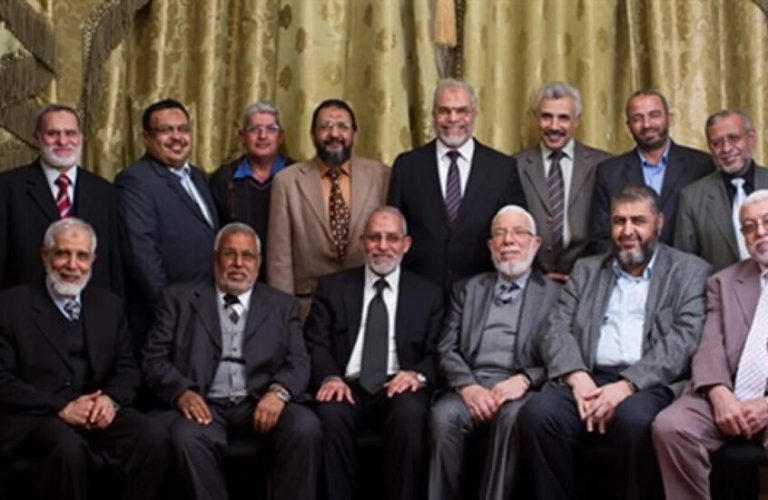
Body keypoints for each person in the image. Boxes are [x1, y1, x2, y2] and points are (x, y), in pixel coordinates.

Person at [517, 184, 712, 500]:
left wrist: (628, 385)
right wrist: (577, 376)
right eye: (619, 221)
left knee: (634, 419)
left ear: (659, 223)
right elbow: (555, 327)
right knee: (539, 414)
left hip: (649, 383)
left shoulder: (689, 271)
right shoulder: (587, 269)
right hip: (588, 377)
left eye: (638, 221)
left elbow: (683, 340)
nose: (627, 231)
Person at [143, 222, 321, 500]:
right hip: (205, 404)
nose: (238, 263)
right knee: (186, 436)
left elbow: (299, 360)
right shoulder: (178, 299)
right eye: (230, 254)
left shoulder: (281, 304)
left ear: (258, 262)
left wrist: (279, 393)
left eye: (247, 256)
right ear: (216, 259)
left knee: (305, 426)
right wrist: (181, 392)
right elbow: (154, 358)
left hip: (260, 400)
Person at [0, 218, 168, 500]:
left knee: (152, 436)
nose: (72, 265)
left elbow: (127, 368)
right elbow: (3, 381)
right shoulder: (10, 306)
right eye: (63, 254)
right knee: (68, 448)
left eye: (81, 256)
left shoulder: (109, 305)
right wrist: (61, 407)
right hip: (39, 416)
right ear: (45, 256)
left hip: (95, 412)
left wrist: (110, 400)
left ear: (93, 260)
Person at [304, 206, 443, 500]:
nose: (382, 246)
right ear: (362, 242)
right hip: (347, 384)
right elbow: (315, 342)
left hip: (399, 384)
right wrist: (329, 377)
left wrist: (417, 375)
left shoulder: (429, 293)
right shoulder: (333, 287)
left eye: (392, 238)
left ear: (406, 244)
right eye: (374, 237)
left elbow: (438, 351)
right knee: (330, 412)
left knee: (410, 411)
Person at [429, 205, 561, 500]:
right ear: (490, 245)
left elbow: (561, 355)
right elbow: (446, 347)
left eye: (519, 232)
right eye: (500, 233)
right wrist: (468, 386)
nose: (508, 240)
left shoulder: (555, 293)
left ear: (535, 243)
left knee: (512, 416)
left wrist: (525, 379)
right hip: (471, 384)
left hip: (520, 389)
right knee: (443, 416)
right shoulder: (467, 289)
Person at [653, 189, 768, 499]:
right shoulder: (724, 281)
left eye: (767, 222)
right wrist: (719, 393)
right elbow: (710, 344)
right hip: (727, 390)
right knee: (671, 426)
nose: (759, 232)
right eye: (749, 227)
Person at [387, 79, 527, 292]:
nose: (453, 119)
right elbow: (392, 231)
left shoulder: (502, 168)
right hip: (419, 292)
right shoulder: (407, 166)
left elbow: (517, 231)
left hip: (481, 294)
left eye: (462, 111)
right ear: (433, 115)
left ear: (474, 114)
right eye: (445, 111)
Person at [267, 99, 389, 319]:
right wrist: (284, 318)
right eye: (325, 127)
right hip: (308, 308)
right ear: (313, 134)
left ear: (354, 134)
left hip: (368, 303)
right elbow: (279, 259)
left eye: (343, 126)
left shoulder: (381, 176)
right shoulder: (287, 181)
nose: (334, 134)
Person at [115, 98, 219, 337]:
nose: (177, 137)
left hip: (205, 310)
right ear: (146, 138)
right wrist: (170, 312)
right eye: (166, 130)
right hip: (167, 318)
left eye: (183, 129)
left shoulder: (199, 177)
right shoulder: (135, 181)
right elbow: (142, 255)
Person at [0, 104, 123, 295]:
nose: (63, 141)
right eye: (52, 134)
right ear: (36, 137)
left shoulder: (104, 191)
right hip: (25, 305)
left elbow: (114, 262)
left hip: (91, 306)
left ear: (81, 138)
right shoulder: (7, 187)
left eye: (70, 133)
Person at [589, 90, 713, 253]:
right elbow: (601, 238)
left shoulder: (701, 165)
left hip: (688, 265)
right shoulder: (609, 172)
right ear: (628, 126)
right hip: (628, 264)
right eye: (637, 118)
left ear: (670, 118)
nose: (647, 124)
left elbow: (709, 231)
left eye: (654, 115)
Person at [514, 82, 611, 281]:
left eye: (563, 118)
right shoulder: (514, 165)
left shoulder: (603, 165)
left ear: (577, 120)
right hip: (530, 281)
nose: (554, 126)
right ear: (536, 118)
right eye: (546, 117)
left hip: (587, 280)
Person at [209, 101, 295, 282]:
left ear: (281, 136)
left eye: (271, 129)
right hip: (237, 273)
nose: (262, 136)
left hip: (288, 274)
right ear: (242, 136)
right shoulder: (223, 178)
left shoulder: (297, 175)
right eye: (254, 129)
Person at [675, 109, 768, 271]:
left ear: (751, 138)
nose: (726, 149)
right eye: (717, 143)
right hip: (719, 286)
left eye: (734, 139)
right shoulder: (692, 198)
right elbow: (685, 266)